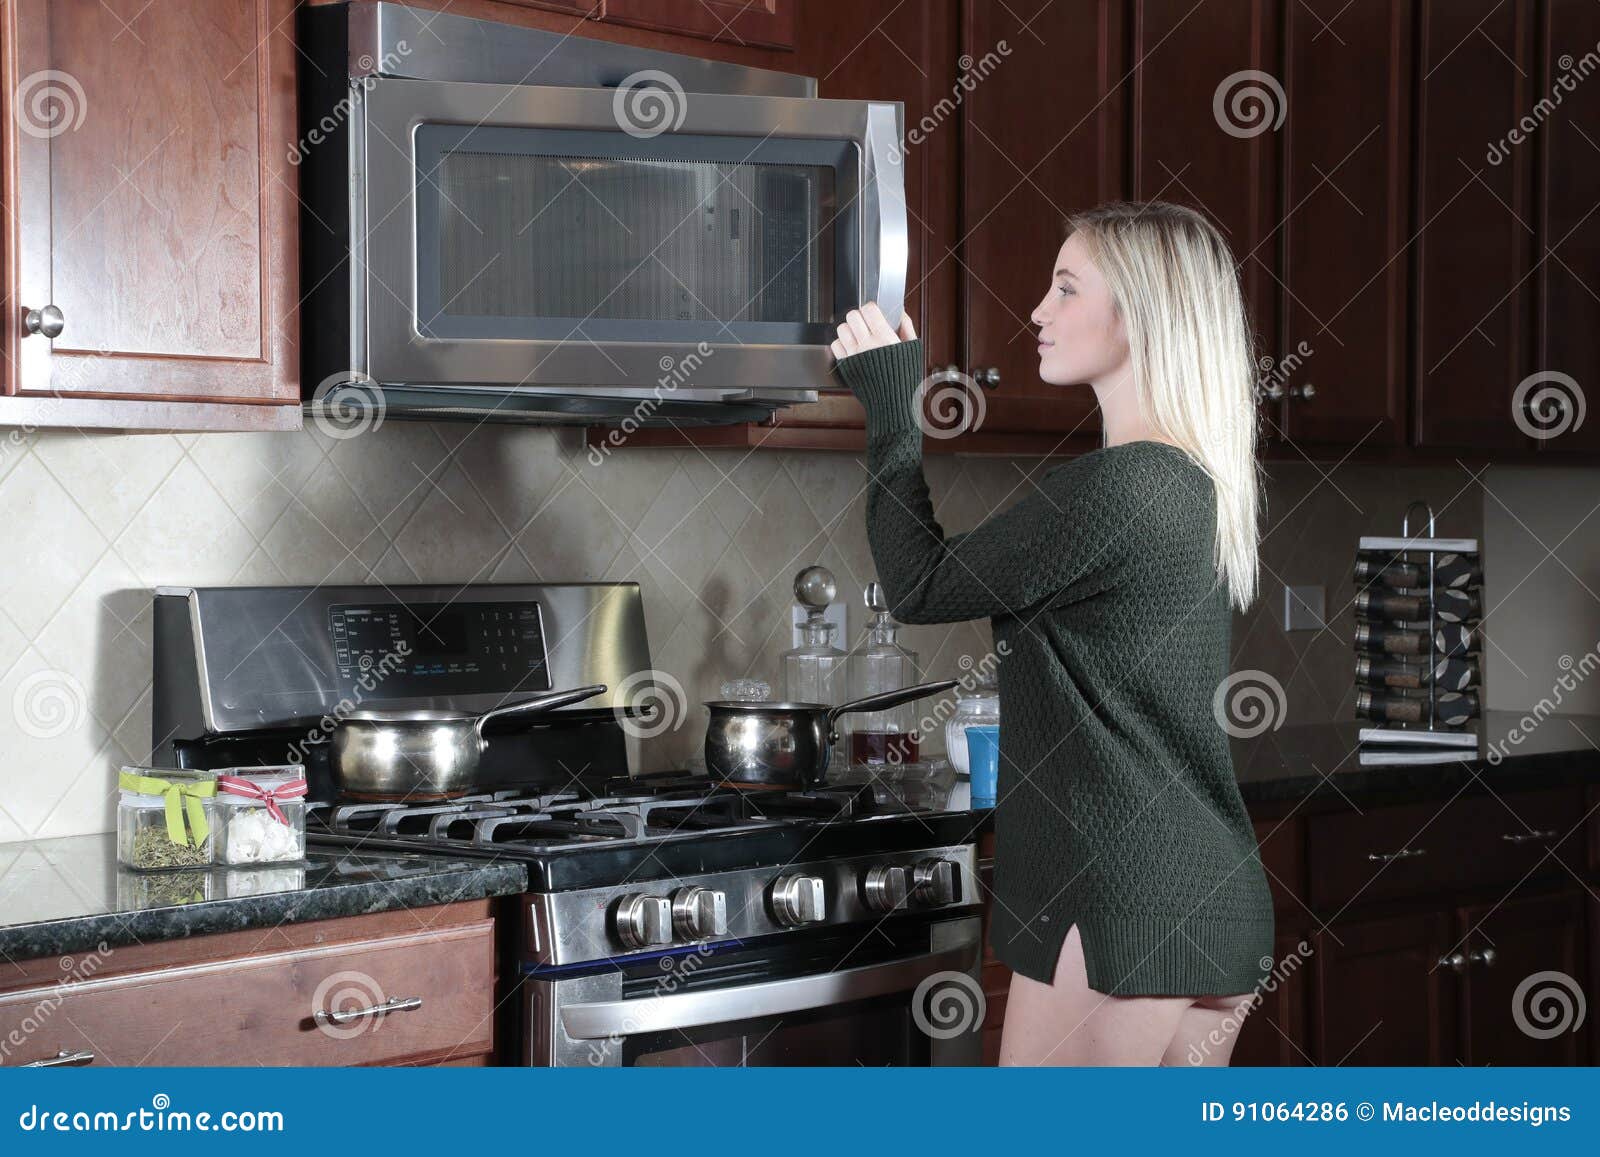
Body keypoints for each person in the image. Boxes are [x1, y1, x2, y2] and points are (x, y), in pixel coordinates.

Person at [828, 201, 1274, 1066]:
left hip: (1116, 903)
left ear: (1138, 313)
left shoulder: (1120, 487)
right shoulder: (1195, 486)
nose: (1037, 310)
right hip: (1212, 895)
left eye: (1066, 288)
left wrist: (891, 406)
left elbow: (917, 584)